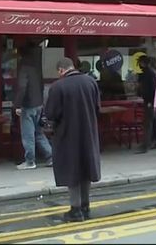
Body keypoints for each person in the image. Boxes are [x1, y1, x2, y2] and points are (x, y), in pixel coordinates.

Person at [44, 58, 101, 223]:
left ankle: (75, 210)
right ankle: (85, 207)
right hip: (89, 133)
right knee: (86, 170)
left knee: (72, 171)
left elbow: (51, 114)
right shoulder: (91, 82)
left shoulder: (58, 87)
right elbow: (97, 108)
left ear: (61, 70)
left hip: (67, 135)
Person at [13, 44, 53, 170]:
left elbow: (22, 87)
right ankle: (51, 157)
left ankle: (30, 161)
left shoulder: (23, 68)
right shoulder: (35, 68)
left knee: (28, 134)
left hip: (28, 105)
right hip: (38, 104)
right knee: (38, 133)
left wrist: (18, 105)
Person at [135, 56, 156, 154]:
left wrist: (149, 101)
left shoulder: (149, 73)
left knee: (148, 123)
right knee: (153, 122)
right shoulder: (148, 73)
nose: (139, 65)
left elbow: (152, 89)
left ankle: (145, 145)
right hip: (149, 100)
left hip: (149, 101)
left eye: (140, 63)